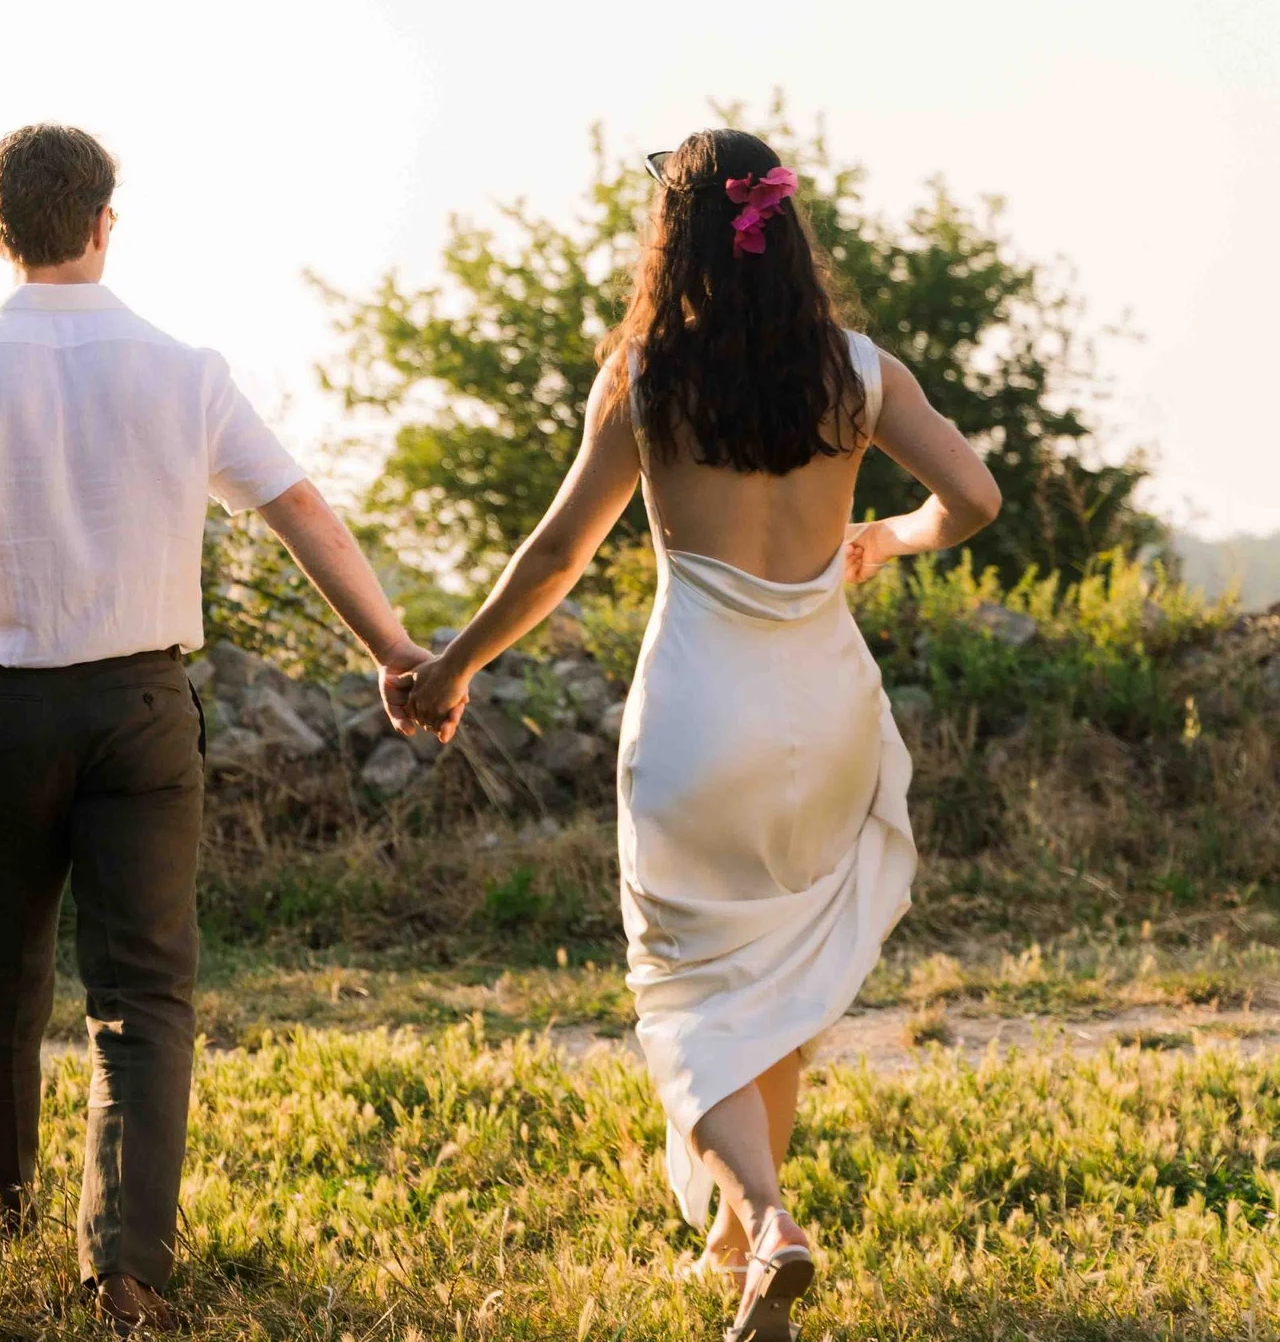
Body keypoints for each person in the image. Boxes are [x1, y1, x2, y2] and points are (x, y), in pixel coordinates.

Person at [394, 129, 1000, 1342]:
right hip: (826, 712)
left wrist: (446, 665)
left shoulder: (645, 376)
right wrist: (885, 534)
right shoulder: (856, 371)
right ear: (787, 233)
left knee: (683, 987)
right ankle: (731, 1242)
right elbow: (974, 499)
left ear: (667, 236)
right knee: (768, 975)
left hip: (698, 715)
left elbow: (559, 551)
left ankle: (767, 1217)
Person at [0, 124, 425, 1333]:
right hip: (141, 711)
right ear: (106, 220)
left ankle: (4, 1205)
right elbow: (302, 512)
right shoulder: (187, 371)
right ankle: (123, 1266)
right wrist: (394, 647)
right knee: (143, 993)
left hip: (0, 713)